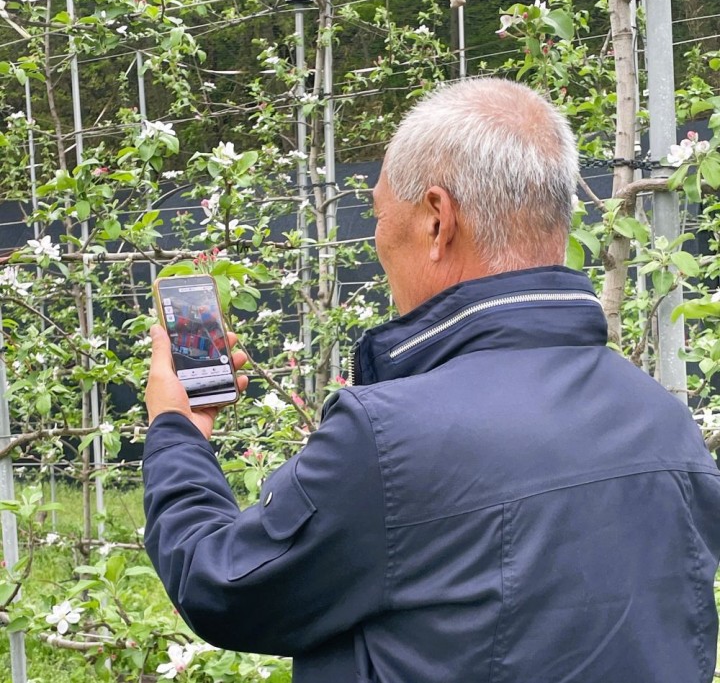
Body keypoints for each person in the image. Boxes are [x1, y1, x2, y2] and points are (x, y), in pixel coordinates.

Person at [143, 77, 720, 683]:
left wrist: (177, 428)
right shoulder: (664, 421)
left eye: (378, 213)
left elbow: (222, 583)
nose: (376, 238)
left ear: (438, 221)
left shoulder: (391, 439)